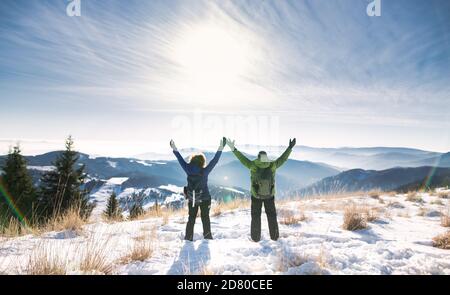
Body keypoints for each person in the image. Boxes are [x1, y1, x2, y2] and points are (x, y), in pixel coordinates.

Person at [226, 138, 296, 242]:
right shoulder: (272, 165)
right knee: (272, 216)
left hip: (256, 196)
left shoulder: (253, 165)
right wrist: (290, 148)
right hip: (269, 196)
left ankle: (255, 238)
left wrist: (233, 148)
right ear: (266, 157)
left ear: (258, 157)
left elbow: (242, 158)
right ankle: (275, 236)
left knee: (256, 216)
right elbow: (283, 159)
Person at [170, 138, 226, 241]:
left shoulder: (187, 168)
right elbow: (215, 160)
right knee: (205, 218)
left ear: (192, 160)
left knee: (191, 219)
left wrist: (174, 148)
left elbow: (180, 159)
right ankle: (208, 237)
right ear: (202, 162)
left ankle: (188, 238)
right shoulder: (204, 171)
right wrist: (220, 148)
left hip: (192, 199)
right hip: (204, 198)